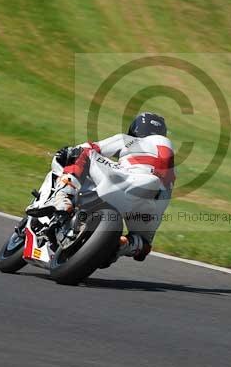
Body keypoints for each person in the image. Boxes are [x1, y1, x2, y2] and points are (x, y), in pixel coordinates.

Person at [39, 112, 175, 262]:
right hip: (152, 203)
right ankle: (121, 245)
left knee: (83, 152)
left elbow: (91, 147)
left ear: (136, 129)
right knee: (144, 245)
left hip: (127, 180)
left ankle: (63, 197)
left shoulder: (130, 140)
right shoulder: (172, 170)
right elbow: (143, 253)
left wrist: (68, 152)